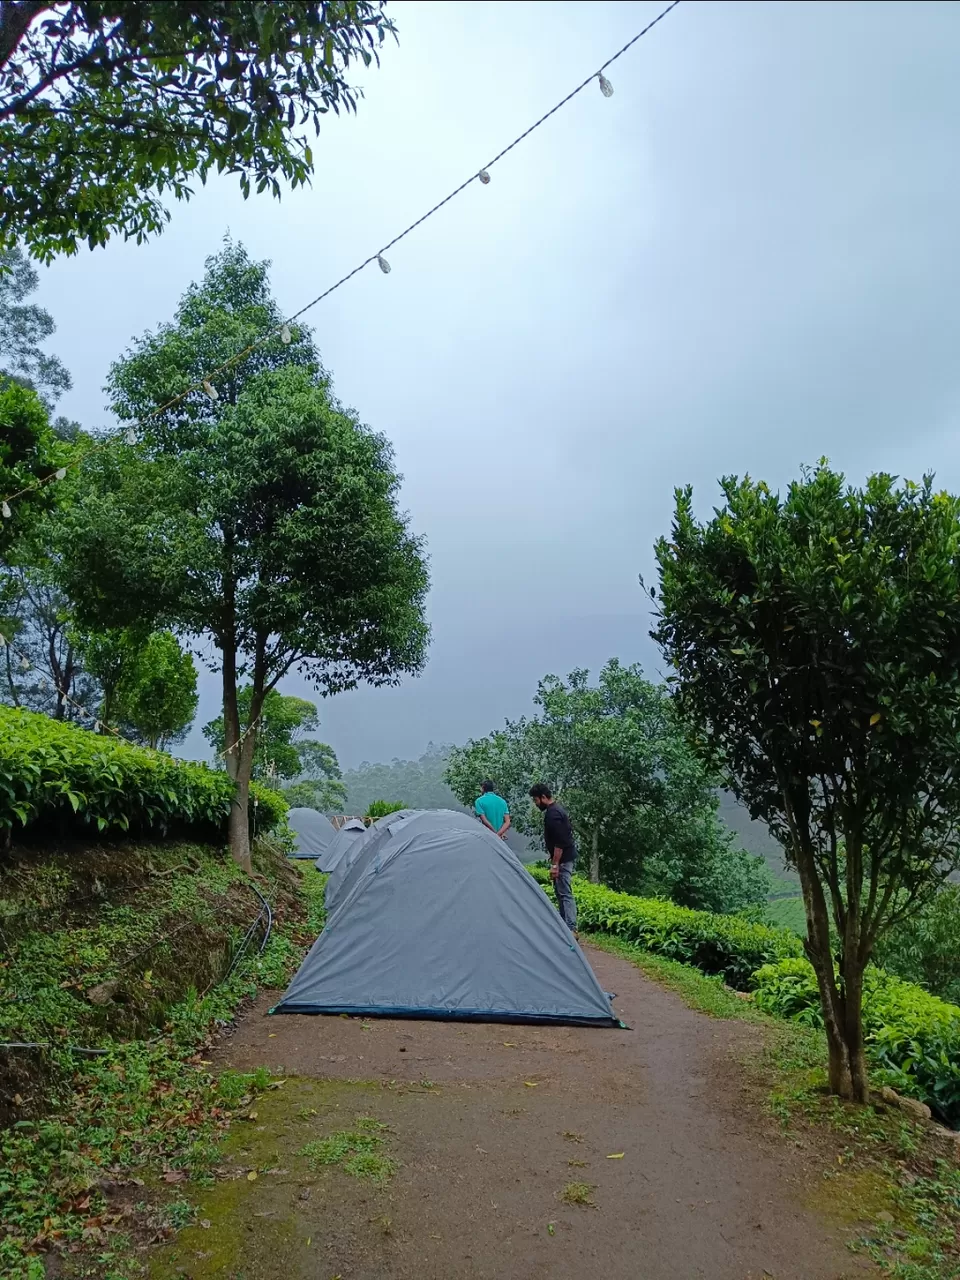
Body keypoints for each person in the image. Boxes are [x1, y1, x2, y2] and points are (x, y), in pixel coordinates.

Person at [529, 783, 578, 937]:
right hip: (564, 857)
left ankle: (571, 927)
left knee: (565, 893)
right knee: (560, 891)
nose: (535, 804)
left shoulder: (553, 814)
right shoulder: (556, 810)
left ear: (543, 797)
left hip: (563, 859)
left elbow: (559, 842)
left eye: (536, 800)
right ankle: (564, 925)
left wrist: (555, 864)